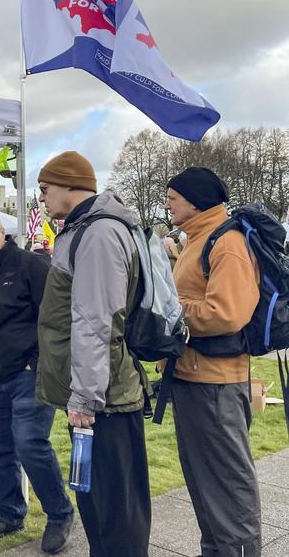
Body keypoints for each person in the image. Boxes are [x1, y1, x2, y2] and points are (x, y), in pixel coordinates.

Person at [34, 151, 151, 557]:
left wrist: (84, 397)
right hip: (98, 393)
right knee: (98, 503)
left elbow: (95, 319)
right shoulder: (85, 228)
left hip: (105, 398)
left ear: (69, 184)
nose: (43, 198)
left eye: (46, 189)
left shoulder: (99, 233)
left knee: (117, 509)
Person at [0, 212, 74, 553]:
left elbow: (55, 317)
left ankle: (60, 513)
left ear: (2, 234)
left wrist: (34, 363)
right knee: (1, 449)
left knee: (29, 444)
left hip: (29, 373)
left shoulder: (30, 265)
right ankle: (10, 513)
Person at [164, 167, 261, 556]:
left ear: (196, 199)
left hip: (217, 385)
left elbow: (227, 313)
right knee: (206, 488)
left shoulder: (227, 242)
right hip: (194, 378)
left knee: (227, 489)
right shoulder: (196, 239)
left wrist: (170, 311)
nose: (167, 202)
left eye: (174, 196)